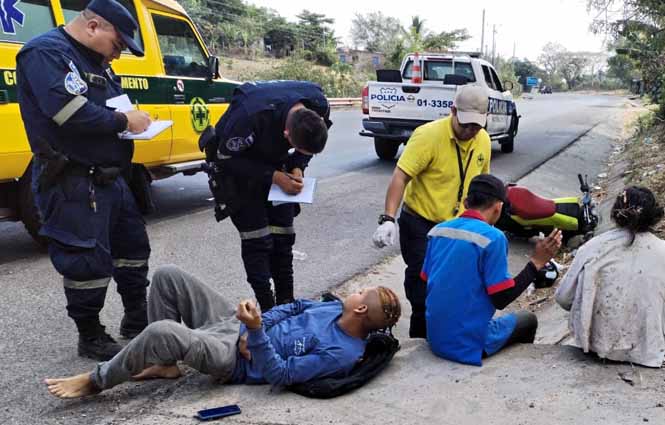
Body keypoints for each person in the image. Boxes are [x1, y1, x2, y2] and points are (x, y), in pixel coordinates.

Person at [16, 0, 154, 361]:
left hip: (112, 178)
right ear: (94, 26)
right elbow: (67, 112)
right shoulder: (45, 53)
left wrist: (131, 119)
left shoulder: (97, 62)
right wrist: (126, 123)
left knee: (134, 251)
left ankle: (137, 320)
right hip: (73, 181)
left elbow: (107, 107)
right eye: (118, 45)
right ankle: (90, 334)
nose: (118, 55)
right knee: (85, 262)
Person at [44, 265, 401, 399]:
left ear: (359, 310)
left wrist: (256, 336)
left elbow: (281, 375)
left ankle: (96, 380)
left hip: (234, 361)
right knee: (170, 277)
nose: (352, 292)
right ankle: (166, 365)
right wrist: (257, 325)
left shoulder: (343, 353)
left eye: (359, 293)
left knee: (163, 331)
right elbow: (293, 307)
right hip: (238, 330)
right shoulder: (332, 308)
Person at [372, 84, 492, 338]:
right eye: (466, 124)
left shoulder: (483, 140)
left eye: (476, 126)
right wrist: (388, 219)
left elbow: (482, 185)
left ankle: (441, 336)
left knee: (452, 285)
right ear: (453, 111)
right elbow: (400, 176)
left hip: (457, 228)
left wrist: (484, 226)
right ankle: (419, 341)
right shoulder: (427, 136)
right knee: (422, 287)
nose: (470, 131)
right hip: (421, 224)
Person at [210, 81, 331, 312]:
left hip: (277, 165)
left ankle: (286, 303)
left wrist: (298, 166)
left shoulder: (318, 105)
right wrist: (274, 176)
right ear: (286, 134)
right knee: (258, 240)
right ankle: (267, 309)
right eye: (297, 147)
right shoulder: (249, 115)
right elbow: (225, 158)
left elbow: (307, 148)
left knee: (283, 237)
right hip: (239, 169)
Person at [422, 174, 562, 366]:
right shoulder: (493, 238)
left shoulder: (438, 230)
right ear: (498, 207)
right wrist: (536, 262)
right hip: (465, 344)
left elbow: (427, 280)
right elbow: (501, 299)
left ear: (465, 202)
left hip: (435, 338)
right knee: (528, 319)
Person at [555, 186, 665, 367]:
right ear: (654, 216)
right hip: (648, 352)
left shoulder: (592, 247)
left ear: (615, 213)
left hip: (595, 347)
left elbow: (563, 298)